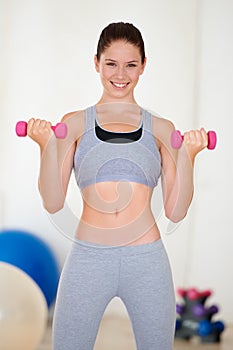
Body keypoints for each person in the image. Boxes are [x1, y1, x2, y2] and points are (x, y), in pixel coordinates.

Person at [27, 22, 208, 350]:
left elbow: (175, 209)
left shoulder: (163, 130)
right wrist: (46, 146)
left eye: (131, 64)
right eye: (111, 63)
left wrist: (189, 156)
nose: (120, 74)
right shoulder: (75, 124)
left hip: (147, 261)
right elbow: (53, 201)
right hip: (89, 259)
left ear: (143, 66)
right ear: (96, 62)